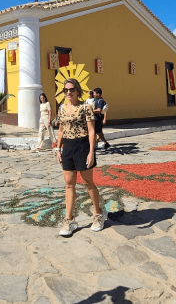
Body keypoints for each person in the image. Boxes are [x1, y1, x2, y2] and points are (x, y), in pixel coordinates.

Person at [54, 78, 106, 236]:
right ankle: (69, 220)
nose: (68, 92)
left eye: (71, 89)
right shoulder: (62, 108)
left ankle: (98, 215)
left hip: (83, 146)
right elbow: (61, 130)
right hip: (68, 147)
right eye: (66, 90)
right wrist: (58, 148)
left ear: (77, 90)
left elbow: (91, 131)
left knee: (88, 182)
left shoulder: (86, 107)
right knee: (69, 184)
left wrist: (91, 151)